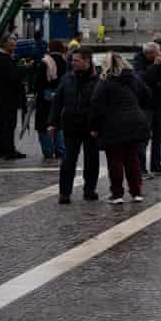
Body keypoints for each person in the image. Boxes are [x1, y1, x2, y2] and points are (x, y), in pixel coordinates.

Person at [88, 53, 150, 204]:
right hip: (135, 122)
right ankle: (136, 192)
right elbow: (147, 95)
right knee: (132, 158)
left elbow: (96, 104)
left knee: (115, 160)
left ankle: (117, 194)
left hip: (113, 124)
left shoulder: (105, 81)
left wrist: (93, 126)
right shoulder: (134, 78)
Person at [48, 47, 100, 204]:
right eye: (72, 60)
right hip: (71, 125)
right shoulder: (67, 78)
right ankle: (65, 193)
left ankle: (89, 190)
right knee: (68, 161)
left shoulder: (99, 80)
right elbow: (57, 102)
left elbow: (103, 105)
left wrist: (99, 126)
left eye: (76, 60)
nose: (73, 63)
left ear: (87, 61)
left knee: (91, 160)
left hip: (91, 128)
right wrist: (52, 123)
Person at [137, 43, 161, 177]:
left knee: (159, 136)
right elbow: (143, 78)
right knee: (143, 138)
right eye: (158, 53)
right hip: (145, 105)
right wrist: (155, 66)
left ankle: (156, 166)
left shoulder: (159, 61)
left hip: (159, 103)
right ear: (150, 54)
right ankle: (141, 169)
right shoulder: (139, 61)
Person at [0, 36, 26, 160]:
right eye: (11, 46)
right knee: (8, 124)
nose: (13, 48)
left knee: (3, 123)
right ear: (4, 45)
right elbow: (11, 77)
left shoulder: (1, 58)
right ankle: (8, 150)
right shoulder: (2, 59)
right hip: (7, 96)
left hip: (4, 95)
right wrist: (24, 69)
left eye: (14, 45)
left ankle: (1, 150)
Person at [33, 40, 68, 161]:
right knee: (58, 124)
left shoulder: (45, 61)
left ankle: (48, 151)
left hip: (45, 97)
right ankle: (60, 149)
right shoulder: (65, 62)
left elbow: (37, 82)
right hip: (60, 97)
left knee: (43, 124)